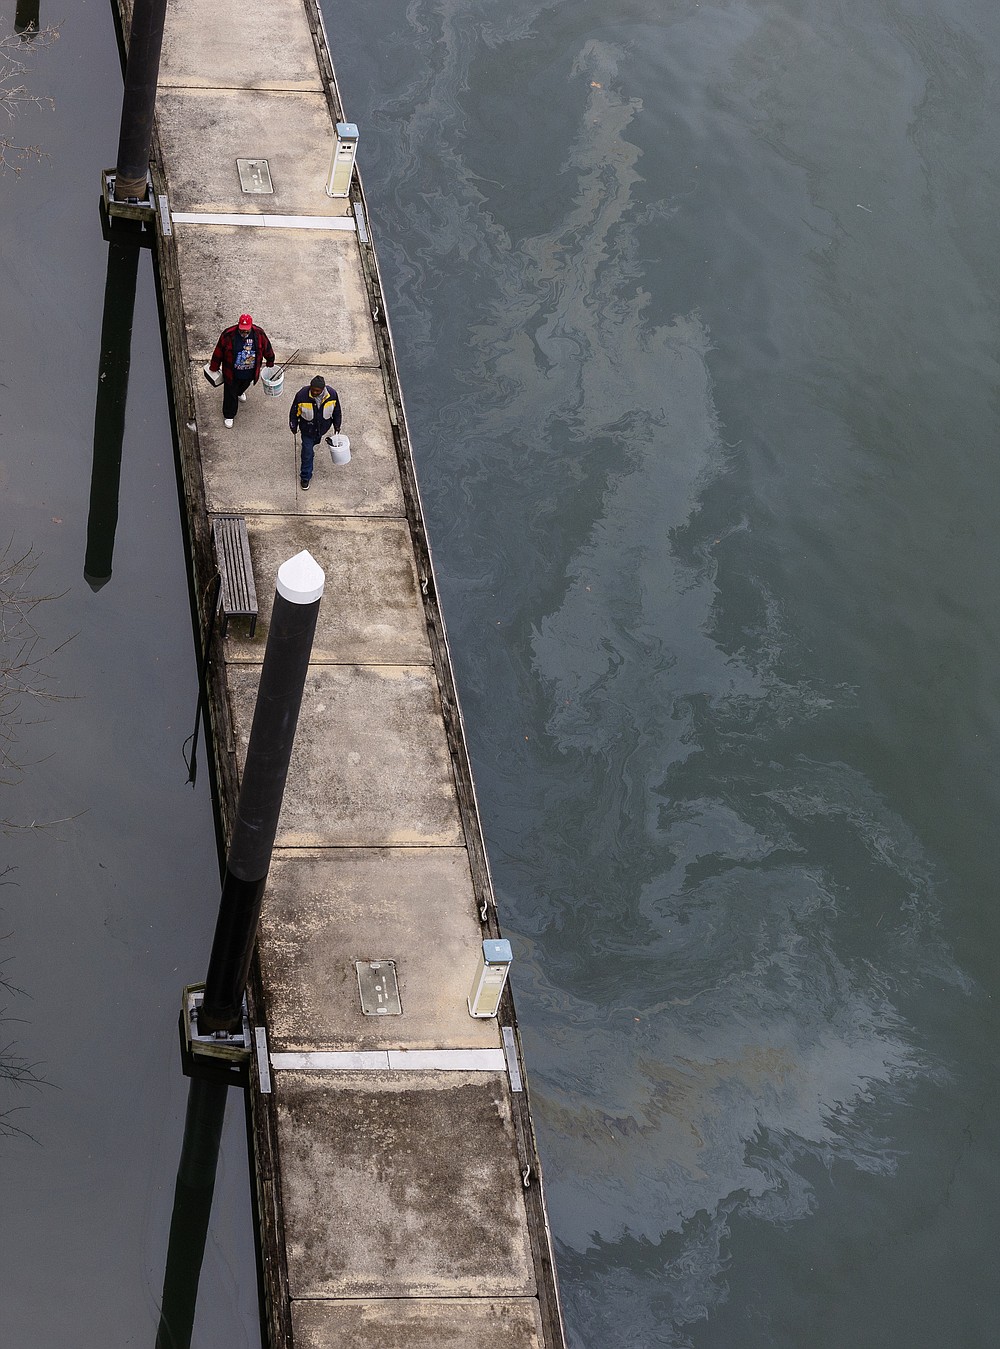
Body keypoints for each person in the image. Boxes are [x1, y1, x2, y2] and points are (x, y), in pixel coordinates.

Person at [208, 313, 275, 427]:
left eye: (246, 331)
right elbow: (218, 351)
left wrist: (270, 361)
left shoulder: (259, 334)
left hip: (250, 372)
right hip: (232, 373)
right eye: (242, 330)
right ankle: (229, 415)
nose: (244, 333)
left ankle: (239, 392)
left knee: (244, 385)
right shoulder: (228, 334)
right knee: (230, 394)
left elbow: (267, 347)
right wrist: (214, 367)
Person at [288, 375, 342, 491]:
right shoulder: (301, 395)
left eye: (317, 391)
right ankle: (305, 477)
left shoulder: (332, 395)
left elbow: (337, 411)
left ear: (323, 389)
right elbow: (294, 412)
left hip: (322, 429)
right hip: (307, 430)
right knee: (307, 453)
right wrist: (293, 425)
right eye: (312, 389)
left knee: (312, 445)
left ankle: (311, 449)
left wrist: (337, 425)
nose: (314, 392)